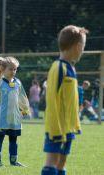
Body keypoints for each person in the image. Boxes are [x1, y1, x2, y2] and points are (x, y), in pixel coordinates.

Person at [41, 25, 88, 175]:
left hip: (68, 127)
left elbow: (70, 97)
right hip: (57, 127)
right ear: (78, 46)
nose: (83, 50)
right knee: (51, 162)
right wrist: (55, 128)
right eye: (83, 47)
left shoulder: (71, 68)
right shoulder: (58, 67)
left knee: (62, 163)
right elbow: (52, 98)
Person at [0, 56, 30, 167]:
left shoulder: (18, 83)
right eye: (11, 69)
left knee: (13, 140)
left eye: (15, 69)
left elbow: (22, 97)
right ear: (3, 69)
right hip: (3, 118)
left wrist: (25, 110)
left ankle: (14, 161)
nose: (13, 71)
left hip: (14, 118)